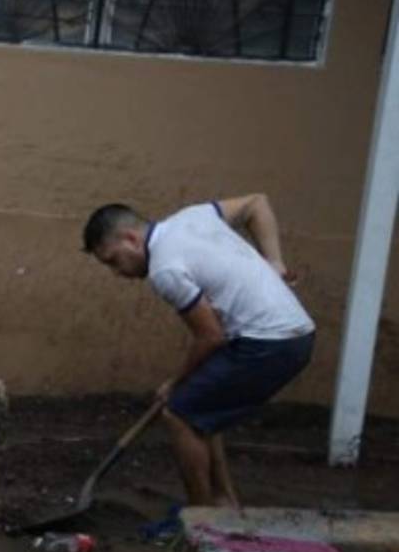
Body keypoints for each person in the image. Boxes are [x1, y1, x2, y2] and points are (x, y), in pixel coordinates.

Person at [82, 195, 315, 507]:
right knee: (201, 407)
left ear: (131, 239)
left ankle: (199, 519)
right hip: (294, 332)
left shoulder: (164, 270)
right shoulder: (193, 216)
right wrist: (275, 261)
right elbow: (256, 203)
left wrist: (175, 382)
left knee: (179, 414)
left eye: (113, 260)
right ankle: (222, 502)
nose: (117, 272)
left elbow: (210, 337)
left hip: (268, 343)